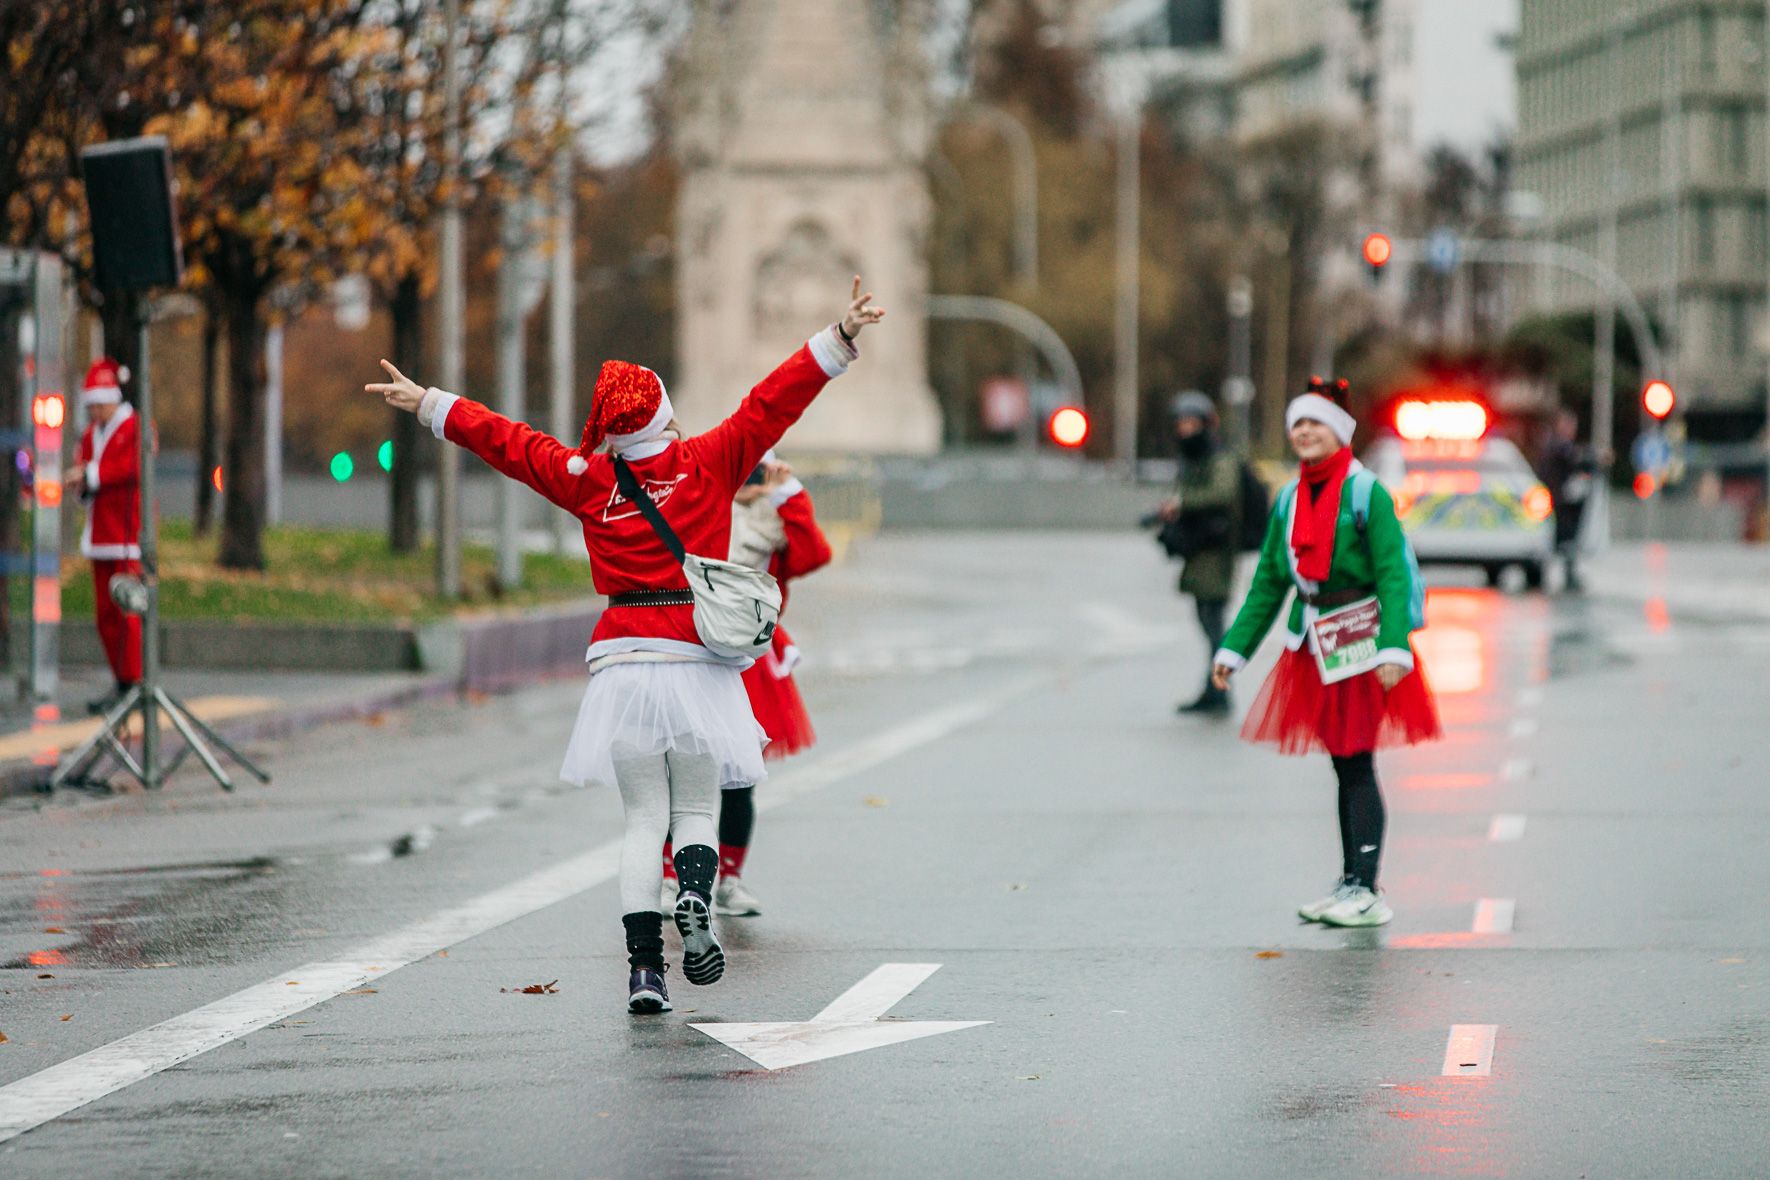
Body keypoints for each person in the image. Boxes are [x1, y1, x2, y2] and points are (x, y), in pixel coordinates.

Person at [368, 278, 883, 1014]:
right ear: (666, 414)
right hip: (696, 663)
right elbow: (773, 403)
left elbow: (510, 444)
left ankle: (646, 973)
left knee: (644, 821)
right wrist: (840, 335)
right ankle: (698, 896)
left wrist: (430, 404)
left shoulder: (587, 480)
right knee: (697, 812)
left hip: (623, 666)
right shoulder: (710, 461)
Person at [1210, 378, 1441, 928]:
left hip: (1363, 645)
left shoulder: (1367, 494)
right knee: (1345, 763)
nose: (1305, 432)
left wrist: (1393, 647)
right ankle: (1352, 883)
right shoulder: (1289, 497)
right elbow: (1270, 580)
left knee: (1357, 761)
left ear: (1338, 432)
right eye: (1298, 424)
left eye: (1316, 423)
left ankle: (1365, 888)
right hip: (1315, 643)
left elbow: (1390, 574)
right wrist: (1233, 650)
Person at [660, 453, 833, 917]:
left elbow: (814, 554)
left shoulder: (775, 522)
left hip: (746, 657)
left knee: (739, 777)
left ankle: (729, 879)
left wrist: (786, 497)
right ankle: (670, 876)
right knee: (684, 768)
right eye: (742, 471)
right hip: (692, 647)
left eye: (759, 471)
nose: (750, 481)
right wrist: (719, 495)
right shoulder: (698, 506)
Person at [65, 358, 143, 715]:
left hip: (127, 532)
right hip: (100, 533)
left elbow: (130, 468)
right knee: (106, 615)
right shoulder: (90, 434)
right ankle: (121, 680)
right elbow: (91, 472)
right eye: (91, 405)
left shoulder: (134, 427)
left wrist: (89, 474)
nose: (95, 411)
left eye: (99, 403)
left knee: (127, 611)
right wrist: (82, 482)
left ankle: (135, 681)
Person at [1158, 392, 1241, 715]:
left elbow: (1220, 493)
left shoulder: (1220, 459)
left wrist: (1182, 502)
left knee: (1214, 624)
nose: (1185, 430)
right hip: (1200, 550)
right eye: (1181, 424)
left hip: (1216, 552)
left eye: (1192, 423)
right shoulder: (1196, 460)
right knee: (1208, 623)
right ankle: (1213, 688)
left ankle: (1219, 689)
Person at [1539, 408, 1595, 591]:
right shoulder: (1559, 447)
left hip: (1560, 503)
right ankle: (1554, 575)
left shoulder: (1554, 446)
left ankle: (1566, 575)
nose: (1571, 429)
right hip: (1558, 504)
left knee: (1564, 543)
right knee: (1560, 541)